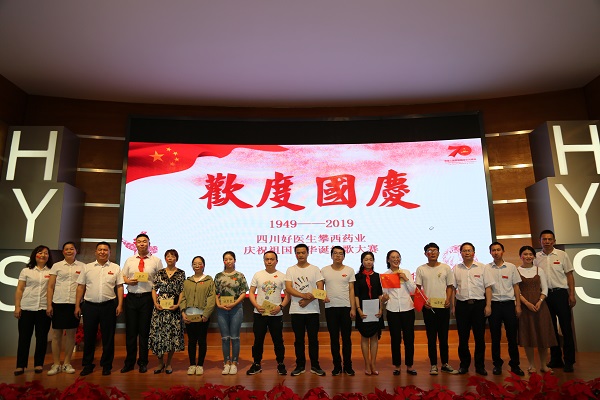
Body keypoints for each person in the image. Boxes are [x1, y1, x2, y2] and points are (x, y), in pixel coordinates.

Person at [75, 241, 124, 376]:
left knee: (108, 337)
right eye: (100, 250)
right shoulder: (87, 267)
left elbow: (120, 287)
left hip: (109, 306)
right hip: (89, 306)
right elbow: (81, 287)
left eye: (105, 250)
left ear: (110, 252)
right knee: (89, 336)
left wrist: (120, 304)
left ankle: (106, 365)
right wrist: (77, 305)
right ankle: (87, 364)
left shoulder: (115, 267)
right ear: (95, 252)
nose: (103, 252)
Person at [534, 229, 576, 372]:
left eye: (549, 239)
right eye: (544, 239)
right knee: (550, 329)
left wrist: (571, 294)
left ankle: (569, 361)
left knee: (566, 328)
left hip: (561, 294)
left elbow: (569, 275)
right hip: (545, 296)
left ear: (554, 241)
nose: (547, 241)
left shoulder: (562, 255)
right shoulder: (536, 257)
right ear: (540, 241)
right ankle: (556, 359)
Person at [120, 233, 163, 374]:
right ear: (136, 244)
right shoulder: (130, 260)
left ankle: (143, 362)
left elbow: (161, 280)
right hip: (131, 297)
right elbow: (123, 276)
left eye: (145, 241)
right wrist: (128, 281)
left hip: (147, 299)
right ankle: (129, 363)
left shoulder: (156, 261)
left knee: (144, 333)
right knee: (131, 332)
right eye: (139, 241)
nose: (142, 244)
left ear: (149, 244)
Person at [415, 242, 459, 376]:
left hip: (443, 307)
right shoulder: (421, 269)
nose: (432, 253)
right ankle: (433, 365)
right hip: (429, 308)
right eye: (429, 250)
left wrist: (448, 299)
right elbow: (418, 288)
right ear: (425, 254)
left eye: (435, 250)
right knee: (431, 337)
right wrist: (424, 302)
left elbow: (450, 286)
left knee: (444, 337)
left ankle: (445, 364)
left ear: (439, 253)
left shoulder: (446, 268)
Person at [452, 242, 494, 376]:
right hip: (462, 306)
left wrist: (488, 305)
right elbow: (453, 288)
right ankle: (464, 365)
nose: (467, 253)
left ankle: (480, 366)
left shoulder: (482, 267)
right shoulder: (456, 268)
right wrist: (453, 306)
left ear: (474, 253)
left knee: (479, 337)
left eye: (469, 250)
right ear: (461, 253)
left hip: (479, 305)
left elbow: (488, 287)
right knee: (463, 337)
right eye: (464, 251)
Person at [285, 243, 326, 376]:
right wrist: (303, 295)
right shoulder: (291, 270)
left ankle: (315, 365)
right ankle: (300, 366)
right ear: (295, 254)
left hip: (313, 311)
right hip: (296, 310)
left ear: (308, 253)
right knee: (299, 340)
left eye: (303, 252)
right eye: (298, 253)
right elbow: (288, 288)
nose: (301, 255)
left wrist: (308, 300)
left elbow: (320, 289)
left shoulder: (315, 269)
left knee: (313, 339)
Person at [246, 251, 290, 376]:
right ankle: (256, 363)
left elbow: (288, 295)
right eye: (267, 259)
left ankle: (280, 363)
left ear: (277, 261)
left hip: (276, 314)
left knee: (278, 340)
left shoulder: (282, 276)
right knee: (258, 340)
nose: (269, 261)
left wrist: (280, 307)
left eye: (272, 259)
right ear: (264, 261)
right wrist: (256, 305)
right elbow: (251, 292)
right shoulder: (258, 274)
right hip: (260, 313)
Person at [14, 245, 54, 376]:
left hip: (44, 308)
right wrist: (17, 306)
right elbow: (20, 289)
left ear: (49, 256)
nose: (43, 255)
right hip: (27, 307)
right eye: (40, 252)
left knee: (42, 338)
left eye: (46, 253)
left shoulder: (52, 272)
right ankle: (20, 365)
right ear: (35, 255)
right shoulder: (26, 271)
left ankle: (39, 364)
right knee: (24, 338)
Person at [46, 242, 85, 376]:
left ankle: (67, 363)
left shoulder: (82, 266)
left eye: (71, 249)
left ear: (76, 251)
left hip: (74, 304)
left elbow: (83, 286)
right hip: (58, 303)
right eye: (66, 249)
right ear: (63, 252)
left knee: (71, 334)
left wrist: (78, 305)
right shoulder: (56, 266)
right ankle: (56, 364)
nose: (69, 251)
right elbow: (50, 286)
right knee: (56, 334)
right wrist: (49, 305)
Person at [486, 242, 524, 376]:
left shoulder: (511, 267)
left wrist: (518, 305)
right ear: (490, 252)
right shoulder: (486, 268)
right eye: (493, 250)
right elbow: (487, 288)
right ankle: (497, 364)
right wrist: (488, 305)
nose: (496, 252)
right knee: (495, 337)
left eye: (498, 250)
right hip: (494, 305)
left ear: (503, 251)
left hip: (509, 304)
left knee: (512, 337)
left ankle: (515, 365)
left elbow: (516, 287)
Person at [517, 245, 557, 374]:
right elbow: (516, 291)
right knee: (528, 336)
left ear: (534, 256)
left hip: (540, 307)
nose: (528, 256)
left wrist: (540, 301)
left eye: (530, 254)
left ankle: (544, 365)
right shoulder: (516, 271)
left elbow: (544, 289)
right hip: (525, 307)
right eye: (525, 254)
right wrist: (526, 303)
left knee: (542, 336)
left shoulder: (540, 270)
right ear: (520, 256)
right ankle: (531, 365)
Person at [148, 249, 185, 374]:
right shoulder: (159, 273)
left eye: (173, 256)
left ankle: (168, 363)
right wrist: (155, 302)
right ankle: (160, 363)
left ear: (176, 258)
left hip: (173, 308)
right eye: (168, 256)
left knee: (171, 336)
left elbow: (182, 290)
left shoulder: (181, 273)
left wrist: (178, 304)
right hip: (160, 308)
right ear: (165, 258)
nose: (170, 258)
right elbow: (154, 289)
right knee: (159, 335)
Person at [321, 246, 356, 376]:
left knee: (347, 339)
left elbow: (351, 290)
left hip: (346, 308)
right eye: (335, 253)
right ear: (331, 256)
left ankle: (348, 366)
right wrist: (322, 296)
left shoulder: (349, 270)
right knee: (334, 338)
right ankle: (336, 366)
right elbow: (319, 287)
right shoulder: (324, 270)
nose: (337, 256)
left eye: (340, 253)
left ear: (344, 256)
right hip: (330, 308)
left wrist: (353, 308)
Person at [382, 250, 417, 376]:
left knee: (409, 338)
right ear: (388, 260)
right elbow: (384, 293)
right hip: (392, 309)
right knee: (395, 339)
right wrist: (384, 298)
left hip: (407, 308)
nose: (396, 259)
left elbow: (413, 290)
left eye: (398, 257)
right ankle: (397, 366)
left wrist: (405, 279)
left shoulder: (406, 272)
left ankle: (409, 365)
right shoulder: (385, 275)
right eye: (393, 257)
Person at [214, 251, 248, 375]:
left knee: (235, 337)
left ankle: (234, 363)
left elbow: (243, 292)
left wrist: (234, 303)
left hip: (236, 309)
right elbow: (215, 293)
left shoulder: (240, 276)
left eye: (230, 259)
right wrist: (218, 304)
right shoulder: (218, 276)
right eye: (226, 259)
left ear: (235, 260)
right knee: (225, 338)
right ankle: (226, 362)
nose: (228, 261)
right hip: (222, 309)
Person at [181, 255, 215, 376]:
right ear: (192, 266)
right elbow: (183, 297)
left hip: (202, 316)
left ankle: (200, 365)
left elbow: (211, 298)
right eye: (194, 263)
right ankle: (191, 364)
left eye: (199, 263)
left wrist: (206, 314)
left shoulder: (209, 281)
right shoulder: (187, 281)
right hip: (189, 315)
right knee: (191, 341)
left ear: (203, 265)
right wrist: (183, 312)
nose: (197, 265)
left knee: (202, 340)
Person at [354, 251, 384, 376]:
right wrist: (359, 310)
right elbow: (356, 295)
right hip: (363, 311)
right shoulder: (357, 277)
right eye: (366, 259)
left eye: (371, 259)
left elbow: (380, 294)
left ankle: (373, 364)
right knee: (365, 338)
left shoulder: (377, 276)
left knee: (374, 338)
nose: (368, 262)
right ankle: (366, 364)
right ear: (362, 261)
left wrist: (381, 309)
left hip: (376, 311)